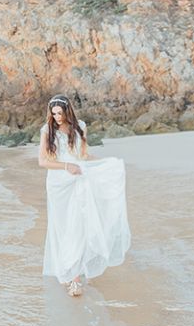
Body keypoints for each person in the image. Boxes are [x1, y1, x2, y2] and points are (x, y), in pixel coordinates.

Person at [38, 94, 131, 297]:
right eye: (53, 114)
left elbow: (84, 155)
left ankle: (75, 279)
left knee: (78, 225)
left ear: (67, 110)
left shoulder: (80, 126)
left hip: (79, 178)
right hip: (58, 184)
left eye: (60, 113)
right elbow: (43, 161)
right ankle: (67, 268)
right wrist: (66, 166)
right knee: (63, 227)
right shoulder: (47, 130)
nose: (56, 117)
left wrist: (105, 164)